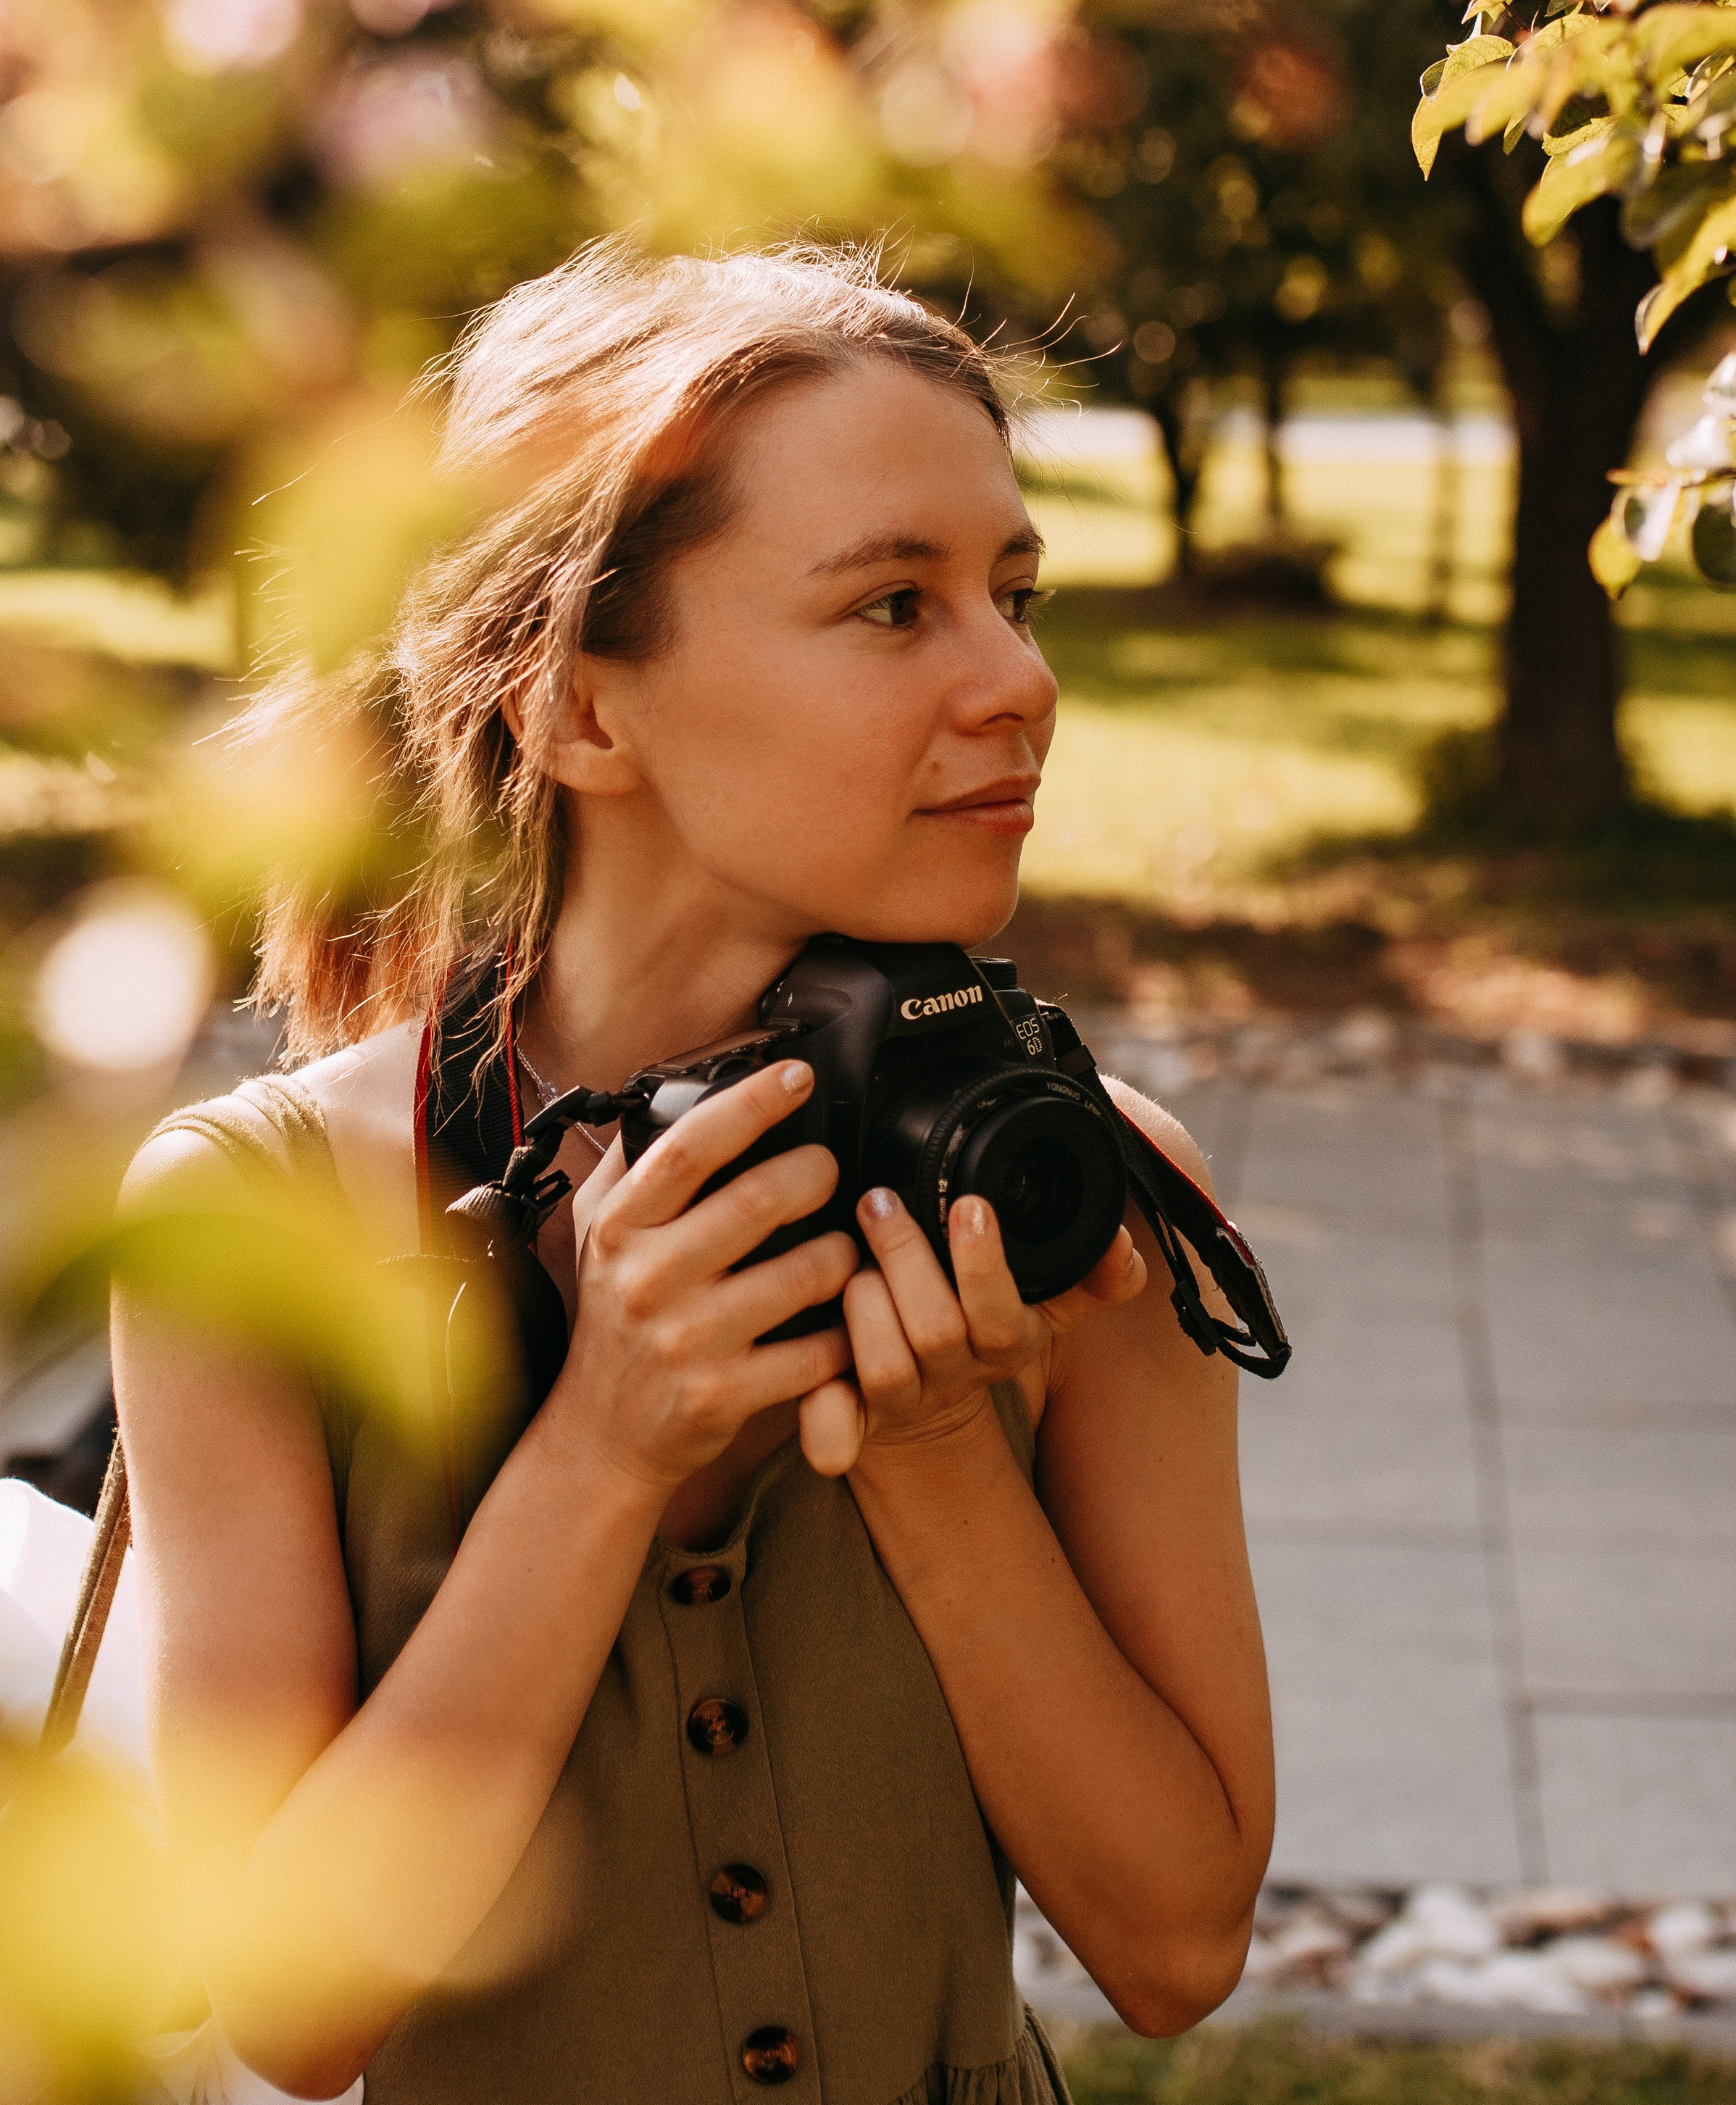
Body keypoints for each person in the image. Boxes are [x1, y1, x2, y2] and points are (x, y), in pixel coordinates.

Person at [112, 244, 1274, 2105]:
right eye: (895, 606)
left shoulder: (1092, 1203)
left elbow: (1173, 1946)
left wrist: (932, 1449)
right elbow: (290, 2004)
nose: (1020, 683)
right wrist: (601, 1449)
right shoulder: (251, 1220)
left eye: (1014, 591)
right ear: (579, 709)